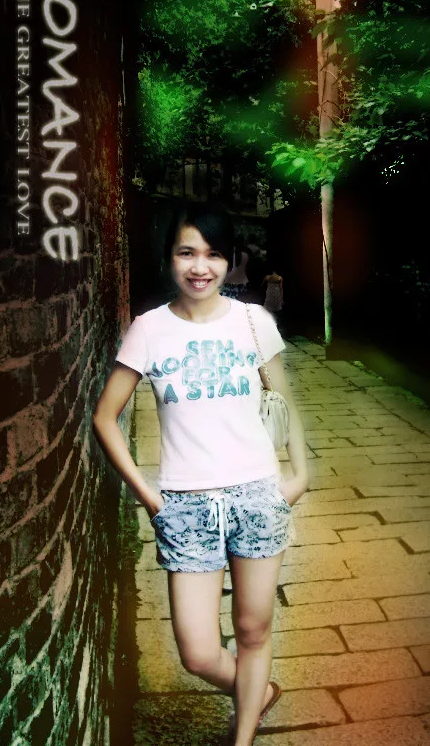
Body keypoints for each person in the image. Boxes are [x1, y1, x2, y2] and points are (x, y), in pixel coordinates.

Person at [93, 201, 308, 746]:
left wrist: (300, 475)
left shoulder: (253, 322)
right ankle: (257, 692)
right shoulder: (149, 330)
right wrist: (150, 498)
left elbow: (284, 401)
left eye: (213, 254)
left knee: (253, 631)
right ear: (169, 257)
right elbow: (104, 418)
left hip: (256, 495)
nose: (200, 266)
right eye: (186, 252)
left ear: (229, 261)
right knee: (197, 652)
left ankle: (243, 734)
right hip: (185, 507)